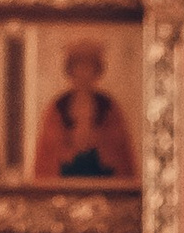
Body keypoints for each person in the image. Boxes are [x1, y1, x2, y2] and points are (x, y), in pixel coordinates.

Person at [33, 42, 137, 181]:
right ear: (70, 70)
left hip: (101, 177)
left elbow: (120, 155)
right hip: (65, 178)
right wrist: (69, 148)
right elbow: (47, 156)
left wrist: (98, 143)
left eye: (88, 67)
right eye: (78, 67)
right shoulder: (58, 107)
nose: (83, 73)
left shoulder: (109, 106)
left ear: (96, 71)